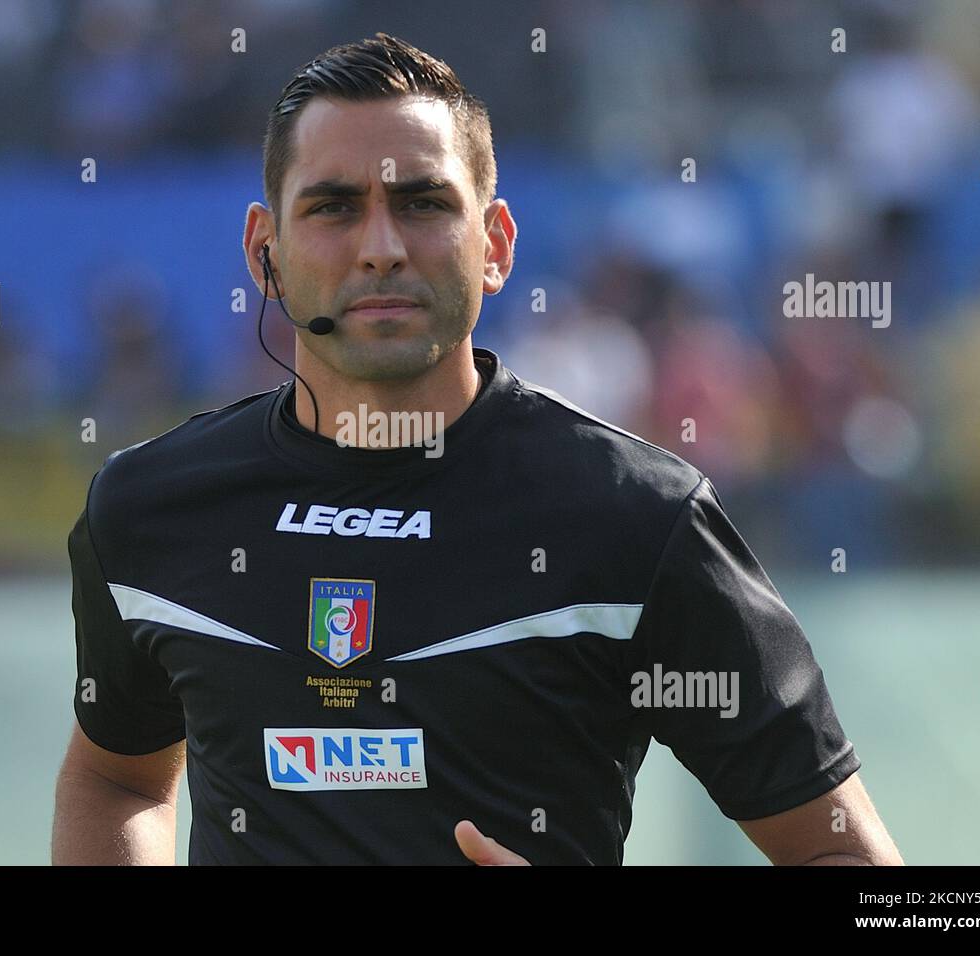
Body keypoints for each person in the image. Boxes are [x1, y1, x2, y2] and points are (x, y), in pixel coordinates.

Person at [51, 33, 902, 866]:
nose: (381, 248)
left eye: (423, 203)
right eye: (334, 206)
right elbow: (116, 777)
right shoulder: (150, 508)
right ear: (263, 251)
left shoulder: (638, 517)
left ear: (494, 245)